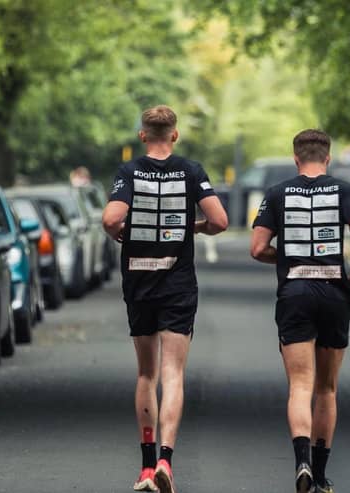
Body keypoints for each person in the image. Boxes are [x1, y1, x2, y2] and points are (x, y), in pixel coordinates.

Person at [102, 105, 228, 493]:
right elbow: (220, 221)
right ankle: (165, 461)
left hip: (139, 279)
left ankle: (143, 467)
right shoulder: (191, 171)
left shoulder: (129, 172)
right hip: (177, 283)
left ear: (143, 135)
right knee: (173, 374)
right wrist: (197, 227)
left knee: (146, 373)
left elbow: (110, 219)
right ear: (174, 135)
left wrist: (121, 233)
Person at [250, 129, 350, 493]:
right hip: (334, 291)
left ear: (295, 158)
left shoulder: (277, 193)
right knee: (327, 388)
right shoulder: (345, 190)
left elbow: (257, 248)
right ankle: (319, 475)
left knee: (300, 386)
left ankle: (301, 461)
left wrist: (286, 258)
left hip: (295, 292)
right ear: (328, 158)